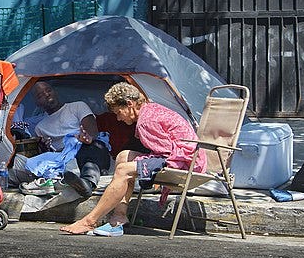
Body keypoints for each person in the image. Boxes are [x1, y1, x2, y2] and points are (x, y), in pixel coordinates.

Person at [59, 82, 207, 236]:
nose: (118, 118)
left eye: (118, 112)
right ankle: (119, 217)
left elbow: (166, 154)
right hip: (185, 156)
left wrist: (140, 163)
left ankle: (89, 221)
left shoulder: (146, 121)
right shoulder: (149, 110)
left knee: (124, 170)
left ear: (129, 104)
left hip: (185, 162)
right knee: (123, 156)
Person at [12, 81, 111, 197]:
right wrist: (44, 148)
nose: (47, 94)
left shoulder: (77, 106)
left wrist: (87, 138)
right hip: (65, 158)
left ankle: (88, 183)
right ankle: (75, 178)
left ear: (55, 92)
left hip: (88, 147)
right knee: (32, 162)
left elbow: (92, 131)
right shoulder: (40, 127)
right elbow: (50, 152)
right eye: (40, 95)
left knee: (93, 147)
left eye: (48, 90)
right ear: (37, 103)